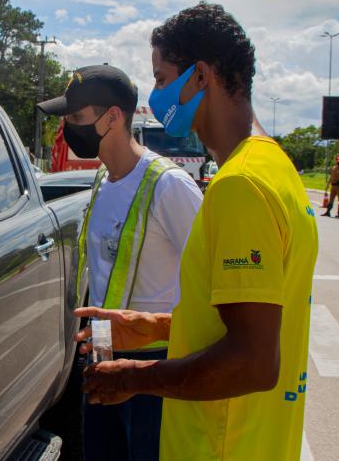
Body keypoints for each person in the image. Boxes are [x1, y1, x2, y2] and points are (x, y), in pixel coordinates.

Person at [75, 2, 319, 461]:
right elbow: (245, 319)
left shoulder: (240, 187)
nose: (156, 93)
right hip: (257, 438)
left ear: (201, 76)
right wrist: (154, 327)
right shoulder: (276, 168)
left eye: (163, 78)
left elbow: (252, 361)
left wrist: (132, 379)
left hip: (221, 444)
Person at [38, 64, 203, 461]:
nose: (68, 128)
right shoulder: (103, 179)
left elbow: (209, 279)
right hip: (103, 354)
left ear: (113, 117)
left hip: (154, 366)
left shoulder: (169, 186)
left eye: (77, 117)